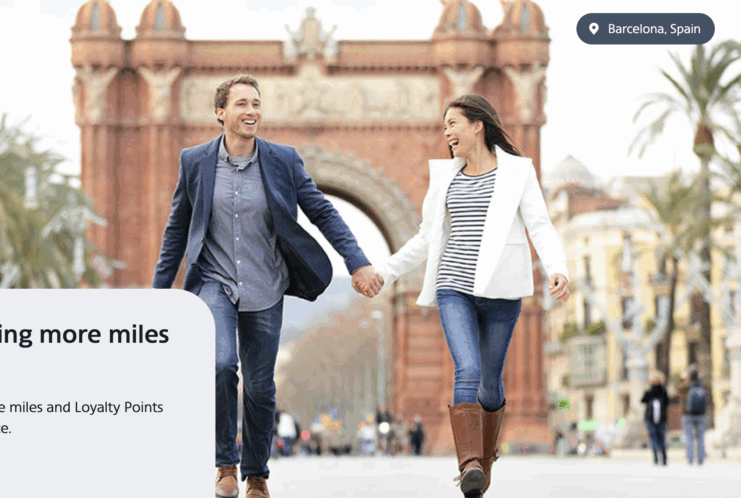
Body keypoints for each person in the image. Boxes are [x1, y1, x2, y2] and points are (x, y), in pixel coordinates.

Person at [152, 73, 383, 498]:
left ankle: (256, 474)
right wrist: (158, 294)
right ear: (220, 112)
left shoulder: (282, 160)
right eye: (241, 104)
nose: (251, 111)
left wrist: (358, 262)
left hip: (265, 284)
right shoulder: (195, 161)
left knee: (259, 386)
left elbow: (323, 212)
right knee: (221, 366)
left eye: (256, 103)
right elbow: (177, 229)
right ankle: (225, 464)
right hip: (213, 283)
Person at [365, 94, 570, 497]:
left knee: (491, 385)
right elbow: (427, 238)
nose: (447, 133)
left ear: (477, 125)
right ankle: (469, 464)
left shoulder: (518, 172)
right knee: (468, 370)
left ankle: (485, 459)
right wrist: (383, 272)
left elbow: (541, 226)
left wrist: (557, 268)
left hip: (501, 291)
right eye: (444, 127)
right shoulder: (444, 178)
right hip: (453, 287)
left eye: (453, 124)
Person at [641, 370, 670, 465]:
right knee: (662, 438)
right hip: (662, 418)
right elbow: (667, 403)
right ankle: (664, 458)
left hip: (650, 418)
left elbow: (642, 400)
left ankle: (656, 458)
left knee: (653, 438)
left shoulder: (649, 391)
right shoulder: (663, 391)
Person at [682, 365, 708, 465]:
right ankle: (701, 460)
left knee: (689, 437)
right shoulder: (703, 385)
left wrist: (684, 379)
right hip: (701, 414)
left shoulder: (686, 386)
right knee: (701, 437)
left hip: (688, 414)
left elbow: (676, 390)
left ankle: (690, 459)